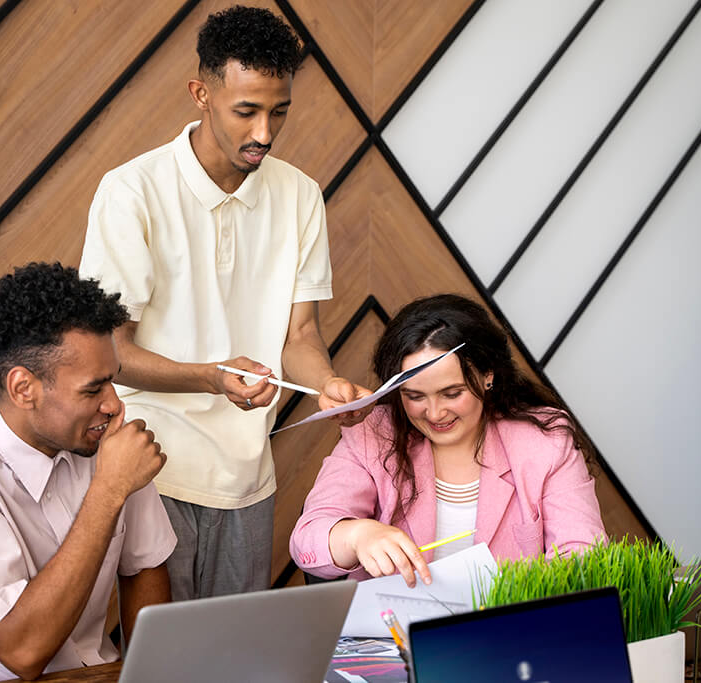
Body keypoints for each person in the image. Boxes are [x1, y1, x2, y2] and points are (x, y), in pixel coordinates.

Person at [81, 5, 370, 601]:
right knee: (167, 660)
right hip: (155, 468)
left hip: (248, 476)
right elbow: (109, 352)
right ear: (200, 93)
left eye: (279, 111)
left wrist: (331, 383)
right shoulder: (132, 191)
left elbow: (301, 337)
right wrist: (214, 378)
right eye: (247, 111)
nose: (264, 132)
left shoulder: (300, 195)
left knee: (237, 656)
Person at [0, 263, 176, 682]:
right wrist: (109, 490)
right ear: (23, 388)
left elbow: (145, 568)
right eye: (92, 389)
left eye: (112, 382)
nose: (114, 404)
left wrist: (147, 675)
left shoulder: (104, 441)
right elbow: (23, 652)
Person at [290, 294, 606, 586]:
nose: (435, 413)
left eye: (452, 393)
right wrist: (357, 535)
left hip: (507, 633)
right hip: (392, 635)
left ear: (487, 375)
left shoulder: (545, 440)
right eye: (414, 396)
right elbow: (307, 539)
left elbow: (583, 554)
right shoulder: (372, 435)